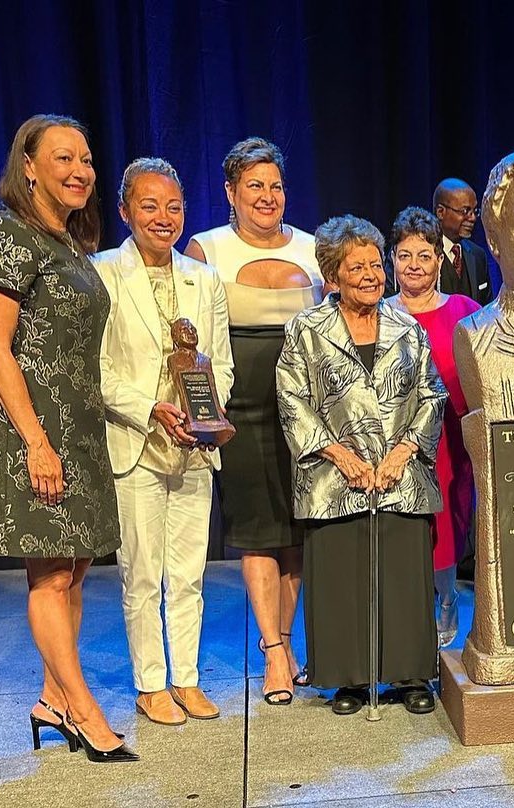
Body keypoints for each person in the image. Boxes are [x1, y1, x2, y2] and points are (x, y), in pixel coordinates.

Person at [0, 114, 136, 762]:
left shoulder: (68, 243)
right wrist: (37, 443)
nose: (79, 171)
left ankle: (51, 699)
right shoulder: (5, 236)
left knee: (74, 569)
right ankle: (84, 710)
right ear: (29, 167)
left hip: (78, 427)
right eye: (63, 158)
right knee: (51, 575)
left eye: (86, 159)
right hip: (28, 429)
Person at [276, 215, 447, 715]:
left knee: (403, 576)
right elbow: (291, 398)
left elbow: (432, 394)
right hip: (333, 477)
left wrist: (404, 451)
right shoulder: (306, 329)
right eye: (358, 267)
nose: (372, 275)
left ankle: (410, 674)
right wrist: (339, 454)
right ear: (333, 274)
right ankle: (348, 679)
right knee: (342, 577)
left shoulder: (407, 328)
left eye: (376, 264)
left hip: (400, 476)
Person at [94, 158, 234, 724]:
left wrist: (204, 415)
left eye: (173, 206)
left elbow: (221, 365)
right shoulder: (103, 273)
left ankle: (187, 679)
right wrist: (150, 410)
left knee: (189, 573)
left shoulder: (204, 278)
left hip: (193, 446)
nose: (163, 217)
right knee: (142, 572)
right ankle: (151, 683)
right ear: (125, 211)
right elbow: (97, 368)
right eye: (149, 206)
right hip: (137, 443)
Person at [185, 138, 323, 705]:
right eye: (254, 186)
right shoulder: (206, 249)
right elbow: (188, 342)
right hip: (238, 409)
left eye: (275, 186)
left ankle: (287, 643)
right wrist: (202, 412)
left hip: (305, 410)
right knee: (256, 530)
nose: (267, 196)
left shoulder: (314, 249)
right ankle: (271, 652)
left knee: (296, 531)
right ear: (230, 192)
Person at [384, 207, 480, 647]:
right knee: (405, 527)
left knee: (447, 526)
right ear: (392, 259)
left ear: (440, 260)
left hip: (452, 440)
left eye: (424, 255)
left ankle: (446, 597)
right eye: (405, 255)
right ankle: (407, 609)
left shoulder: (466, 312)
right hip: (394, 441)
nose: (414, 265)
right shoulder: (378, 314)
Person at [433, 178, 492, 304]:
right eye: (465, 211)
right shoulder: (421, 256)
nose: (473, 218)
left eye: (475, 211)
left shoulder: (478, 256)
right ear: (440, 212)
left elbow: (487, 308)